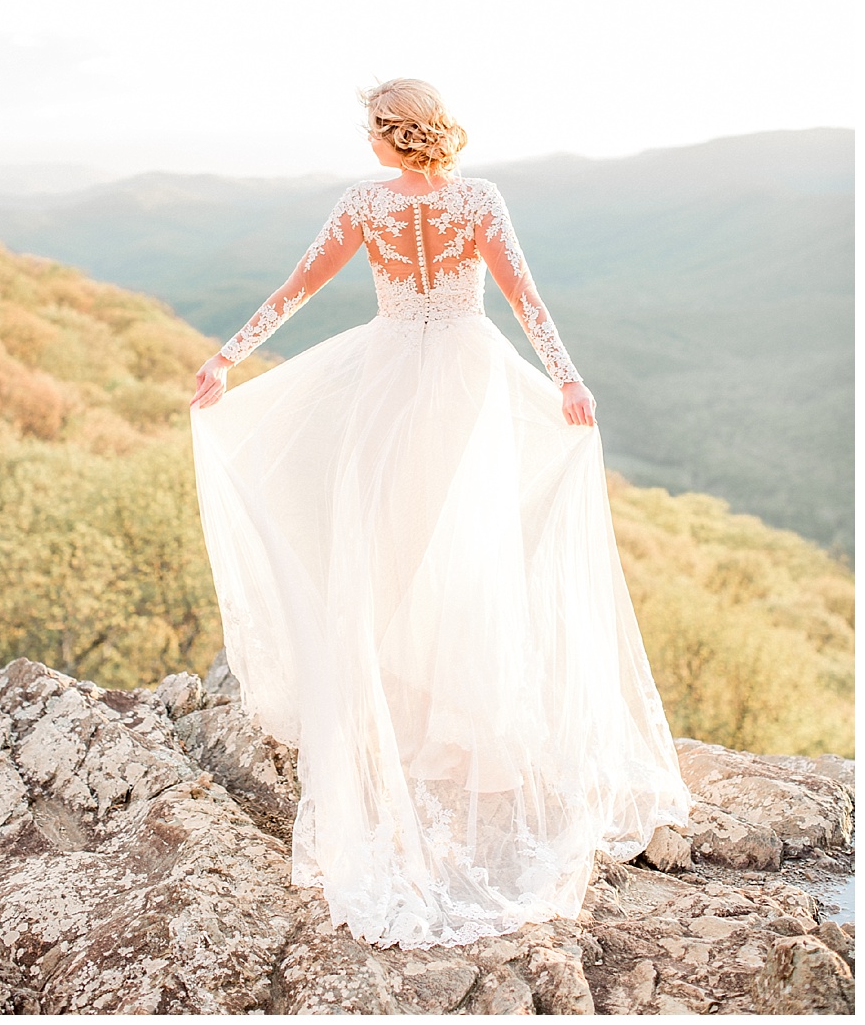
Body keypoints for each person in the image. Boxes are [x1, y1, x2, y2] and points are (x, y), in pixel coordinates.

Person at [188, 79, 690, 949]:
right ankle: (438, 714)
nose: (365, 141)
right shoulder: (476, 201)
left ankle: (432, 715)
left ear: (394, 134)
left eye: (370, 129)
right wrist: (566, 377)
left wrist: (228, 358)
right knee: (462, 539)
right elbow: (524, 297)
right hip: (464, 375)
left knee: (392, 539)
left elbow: (298, 287)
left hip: (390, 380)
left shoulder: (363, 205)